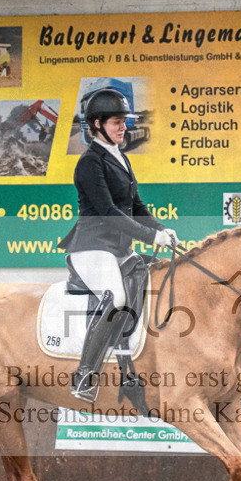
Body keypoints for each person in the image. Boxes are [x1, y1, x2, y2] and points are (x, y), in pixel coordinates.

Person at [60, 88, 178, 403]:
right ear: (96, 125)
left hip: (118, 249)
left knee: (150, 278)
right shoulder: (89, 163)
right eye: (116, 122)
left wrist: (161, 228)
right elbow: (110, 213)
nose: (123, 127)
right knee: (116, 297)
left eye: (124, 121)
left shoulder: (120, 156)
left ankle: (128, 365)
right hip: (92, 247)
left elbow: (135, 205)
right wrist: (151, 237)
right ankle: (84, 376)